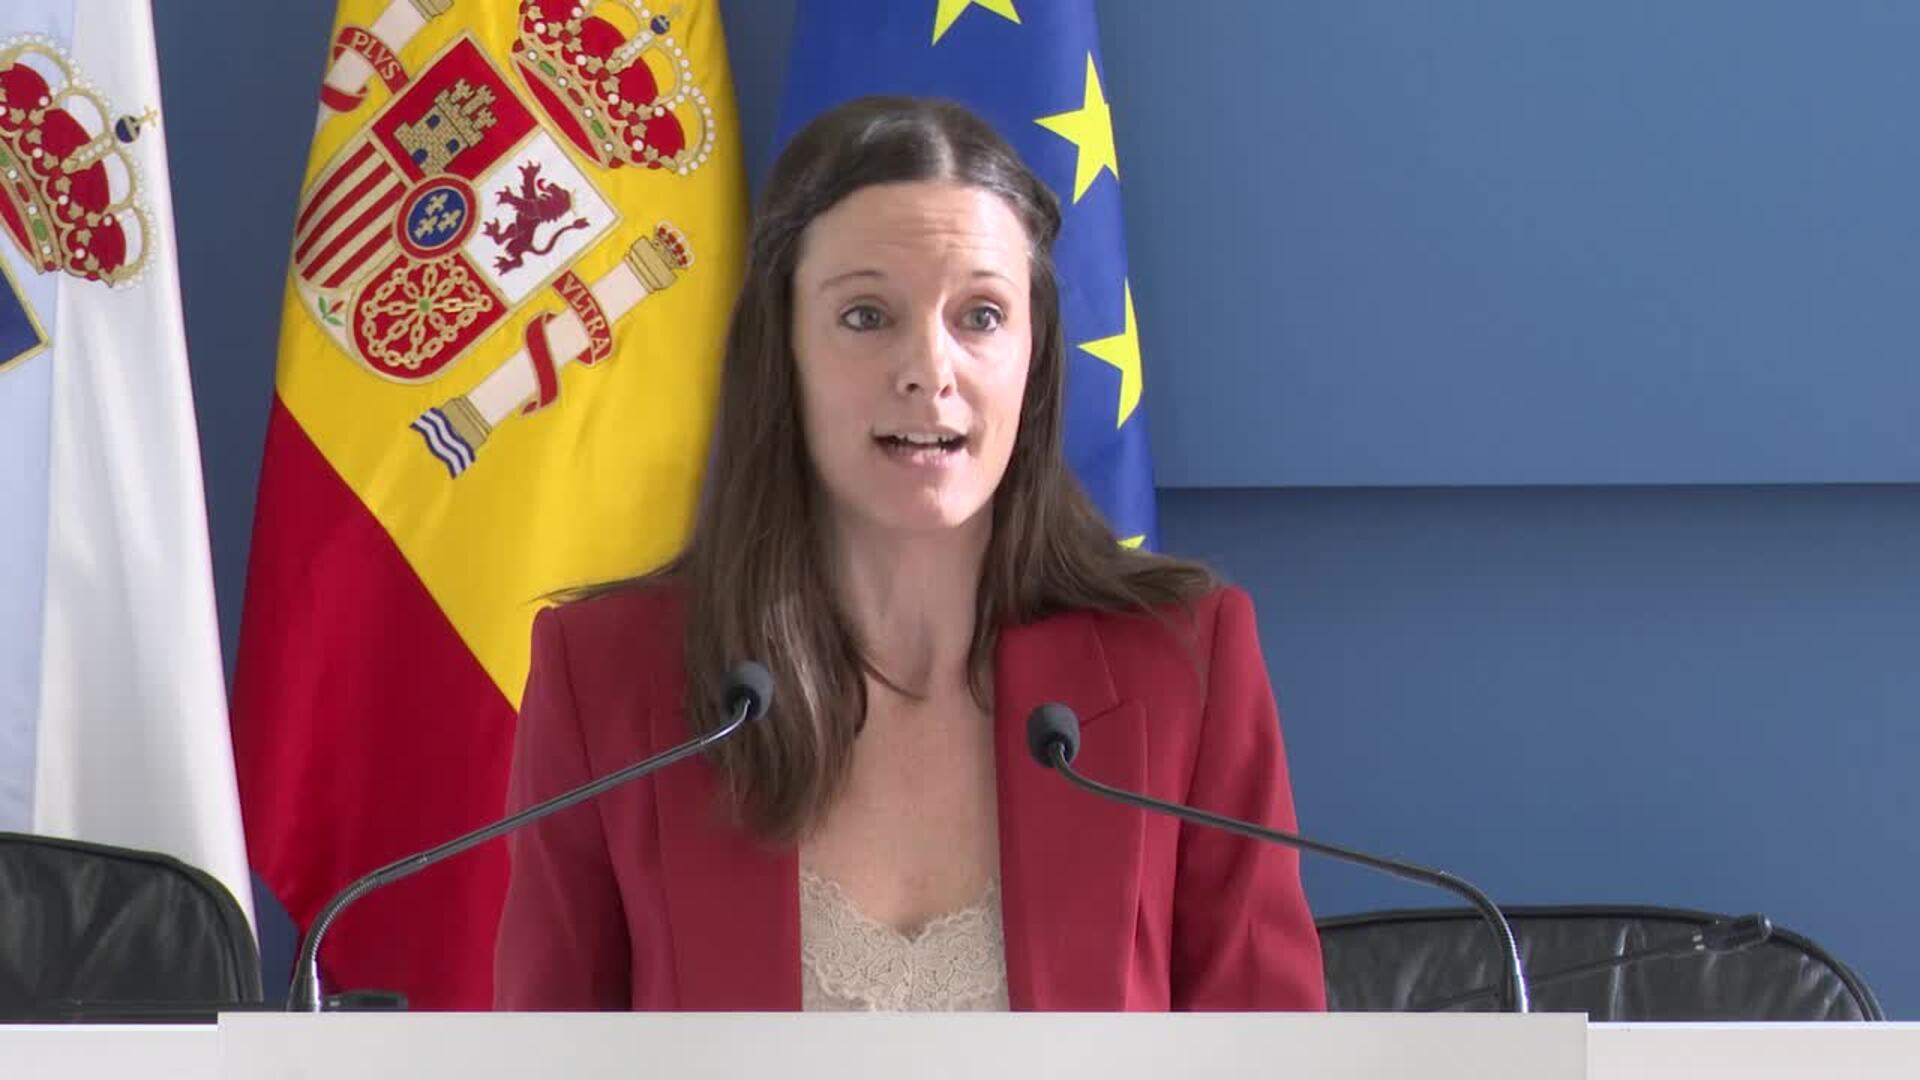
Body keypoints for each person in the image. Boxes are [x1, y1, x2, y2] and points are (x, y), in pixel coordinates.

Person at [493, 96, 1325, 1012]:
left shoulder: (1182, 666)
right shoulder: (607, 678)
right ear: (783, 350)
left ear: (1034, 355)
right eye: (866, 316)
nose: (930, 369)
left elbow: (1271, 1048)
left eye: (981, 316)